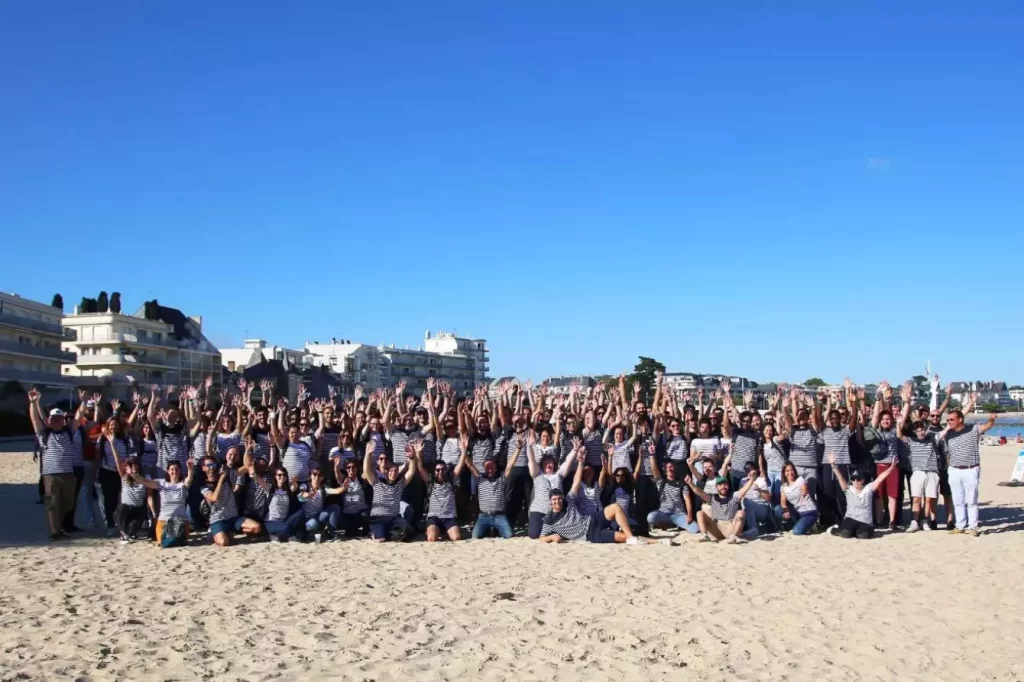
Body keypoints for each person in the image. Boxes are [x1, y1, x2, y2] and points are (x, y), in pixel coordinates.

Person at [539, 447, 669, 545]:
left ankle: (632, 538)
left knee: (615, 507)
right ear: (551, 502)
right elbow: (541, 537)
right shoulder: (549, 520)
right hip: (589, 534)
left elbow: (576, 481)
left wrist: (580, 462)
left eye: (559, 498)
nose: (558, 501)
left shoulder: (568, 501)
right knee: (621, 536)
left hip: (592, 519)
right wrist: (551, 537)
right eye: (555, 500)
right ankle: (656, 542)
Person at [28, 388, 83, 542]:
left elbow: (78, 418)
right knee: (52, 504)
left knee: (68, 503)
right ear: (50, 420)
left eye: (59, 418)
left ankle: (59, 527)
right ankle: (54, 531)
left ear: (62, 420)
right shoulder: (44, 434)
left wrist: (83, 402)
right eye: (53, 418)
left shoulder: (69, 432)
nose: (56, 420)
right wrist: (33, 403)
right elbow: (35, 420)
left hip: (69, 474)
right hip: (51, 475)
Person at [943, 408, 998, 536]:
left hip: (970, 469)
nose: (949, 422)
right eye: (947, 420)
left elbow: (986, 426)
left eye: (951, 419)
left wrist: (991, 419)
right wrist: (949, 466)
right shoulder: (948, 434)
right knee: (957, 500)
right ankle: (960, 525)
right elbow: (947, 453)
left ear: (960, 419)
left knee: (971, 500)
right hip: (954, 470)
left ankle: (972, 527)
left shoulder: (973, 429)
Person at [828, 452, 898, 539]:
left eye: (858, 479)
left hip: (865, 520)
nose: (856, 481)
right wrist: (833, 465)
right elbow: (840, 477)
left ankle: (859, 531)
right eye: (853, 479)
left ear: (863, 480)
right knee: (845, 533)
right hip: (850, 518)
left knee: (863, 535)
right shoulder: (848, 489)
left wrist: (891, 468)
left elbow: (880, 478)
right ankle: (833, 529)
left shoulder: (868, 488)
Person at [466, 433, 519, 539]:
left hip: (499, 516)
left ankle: (493, 529)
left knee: (509, 535)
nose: (490, 470)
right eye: (487, 467)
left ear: (496, 468)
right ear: (484, 468)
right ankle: (490, 530)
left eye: (492, 467)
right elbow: (470, 465)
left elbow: (510, 465)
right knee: (475, 536)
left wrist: (518, 448)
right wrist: (463, 450)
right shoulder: (480, 479)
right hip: (483, 516)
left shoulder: (501, 479)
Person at [363, 440, 419, 542]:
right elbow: (366, 471)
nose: (393, 473)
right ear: (387, 471)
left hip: (393, 518)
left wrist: (412, 457)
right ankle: (372, 534)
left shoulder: (400, 483)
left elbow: (411, 471)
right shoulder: (376, 482)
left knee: (407, 534)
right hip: (378, 518)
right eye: (391, 471)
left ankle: (389, 532)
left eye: (396, 471)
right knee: (381, 540)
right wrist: (367, 455)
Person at [134, 459, 195, 547]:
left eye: (177, 469)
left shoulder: (183, 485)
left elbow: (189, 479)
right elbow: (145, 482)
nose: (175, 471)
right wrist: (133, 474)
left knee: (179, 541)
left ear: (180, 470)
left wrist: (190, 468)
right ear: (168, 471)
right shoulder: (161, 483)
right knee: (164, 542)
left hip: (181, 521)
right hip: (164, 521)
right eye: (172, 469)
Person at [686, 473, 758, 543]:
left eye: (725, 484)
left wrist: (752, 480)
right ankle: (704, 535)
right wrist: (690, 483)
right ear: (716, 487)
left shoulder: (734, 496)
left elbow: (744, 490)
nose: (723, 486)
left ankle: (734, 537)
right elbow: (699, 492)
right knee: (699, 513)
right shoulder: (712, 498)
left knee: (741, 513)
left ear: (728, 485)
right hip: (716, 528)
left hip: (730, 528)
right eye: (720, 485)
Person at [421, 440, 466, 542]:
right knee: (432, 539)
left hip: (449, 517)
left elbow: (461, 464)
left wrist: (463, 450)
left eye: (442, 469)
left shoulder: (451, 479)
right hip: (434, 518)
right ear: (434, 471)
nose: (440, 472)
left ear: (446, 470)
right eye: (437, 470)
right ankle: (435, 531)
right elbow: (420, 468)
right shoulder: (430, 481)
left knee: (457, 538)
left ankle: (445, 532)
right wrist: (418, 453)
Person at [525, 429, 563, 539]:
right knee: (535, 501)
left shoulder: (552, 448)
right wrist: (529, 445)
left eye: (547, 436)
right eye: (543, 436)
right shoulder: (535, 446)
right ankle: (534, 521)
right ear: (539, 438)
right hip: (538, 475)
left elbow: (556, 441)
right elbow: (531, 458)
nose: (545, 438)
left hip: (550, 476)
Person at [647, 457, 698, 534]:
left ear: (674, 468)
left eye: (671, 466)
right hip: (663, 513)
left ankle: (676, 524)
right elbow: (654, 469)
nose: (669, 469)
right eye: (667, 467)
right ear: (664, 469)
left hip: (679, 514)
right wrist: (652, 455)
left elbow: (687, 499)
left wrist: (689, 515)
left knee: (694, 529)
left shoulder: (682, 484)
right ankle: (671, 525)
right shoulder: (661, 482)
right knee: (651, 517)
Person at [297, 467, 343, 542]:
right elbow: (301, 495)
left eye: (319, 475)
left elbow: (335, 491)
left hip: (319, 515)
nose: (317, 477)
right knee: (312, 525)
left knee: (335, 507)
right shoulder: (305, 485)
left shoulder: (323, 488)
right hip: (307, 518)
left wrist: (343, 488)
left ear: (322, 477)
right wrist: (307, 495)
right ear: (311, 475)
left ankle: (332, 532)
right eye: (314, 474)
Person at [776, 461, 818, 535]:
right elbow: (783, 500)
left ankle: (810, 525)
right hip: (797, 512)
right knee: (778, 509)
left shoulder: (800, 480)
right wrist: (785, 508)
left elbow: (804, 489)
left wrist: (805, 490)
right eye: (787, 471)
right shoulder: (783, 486)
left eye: (791, 470)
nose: (790, 473)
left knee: (797, 532)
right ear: (784, 473)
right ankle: (797, 523)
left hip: (809, 511)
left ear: (794, 470)